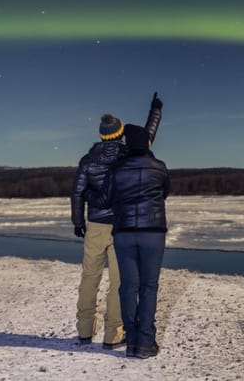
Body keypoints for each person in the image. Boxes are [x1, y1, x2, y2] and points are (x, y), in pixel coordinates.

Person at [70, 92, 162, 348]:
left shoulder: (88, 161)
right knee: (119, 282)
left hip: (96, 226)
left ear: (102, 135)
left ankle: (84, 331)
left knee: (90, 276)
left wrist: (78, 221)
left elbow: (77, 192)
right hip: (122, 227)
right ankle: (113, 334)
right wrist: (155, 112)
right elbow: (148, 135)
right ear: (121, 134)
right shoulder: (128, 156)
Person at [93, 122, 170, 359]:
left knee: (128, 286)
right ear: (145, 143)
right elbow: (164, 193)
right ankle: (146, 342)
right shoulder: (159, 167)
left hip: (124, 233)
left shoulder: (117, 169)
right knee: (149, 286)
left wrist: (88, 192)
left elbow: (103, 200)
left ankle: (132, 341)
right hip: (153, 233)